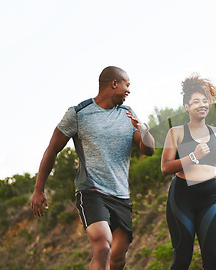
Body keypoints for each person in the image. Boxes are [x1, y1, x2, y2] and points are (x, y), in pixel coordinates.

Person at [31, 66, 155, 270]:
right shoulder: (78, 114)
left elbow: (148, 149)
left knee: (118, 258)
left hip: (121, 196)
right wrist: (38, 189)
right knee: (103, 245)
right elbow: (52, 149)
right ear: (114, 83)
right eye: (127, 84)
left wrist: (144, 129)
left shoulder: (128, 114)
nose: (129, 90)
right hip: (91, 192)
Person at [161, 74, 216, 270]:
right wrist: (193, 156)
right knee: (182, 260)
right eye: (195, 102)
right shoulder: (176, 132)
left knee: (212, 260)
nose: (202, 105)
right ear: (187, 107)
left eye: (205, 101)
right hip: (182, 197)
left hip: (210, 197)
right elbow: (165, 167)